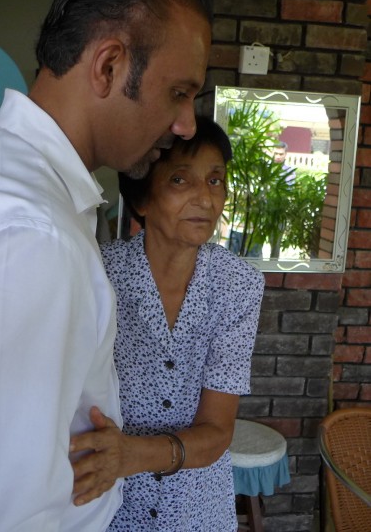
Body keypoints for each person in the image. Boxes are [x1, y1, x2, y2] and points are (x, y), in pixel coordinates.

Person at [0, 0, 212, 531]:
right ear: (108, 66)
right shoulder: (28, 231)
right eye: (178, 93)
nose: (186, 124)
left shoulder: (23, 192)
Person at [69, 116, 265, 530]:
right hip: (108, 503)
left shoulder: (238, 285)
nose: (205, 198)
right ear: (142, 198)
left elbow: (216, 430)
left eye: (215, 181)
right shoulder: (99, 275)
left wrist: (132, 455)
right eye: (181, 180)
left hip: (197, 509)